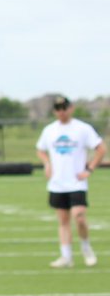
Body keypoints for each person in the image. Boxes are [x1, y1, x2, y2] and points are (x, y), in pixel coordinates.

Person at [36, 95, 105, 268]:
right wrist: (47, 164)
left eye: (64, 108)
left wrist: (89, 169)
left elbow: (101, 148)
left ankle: (86, 247)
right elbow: (40, 149)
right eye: (58, 109)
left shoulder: (82, 128)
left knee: (79, 216)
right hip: (57, 183)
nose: (61, 112)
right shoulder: (49, 130)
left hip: (76, 182)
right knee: (63, 221)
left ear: (71, 108)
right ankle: (66, 256)